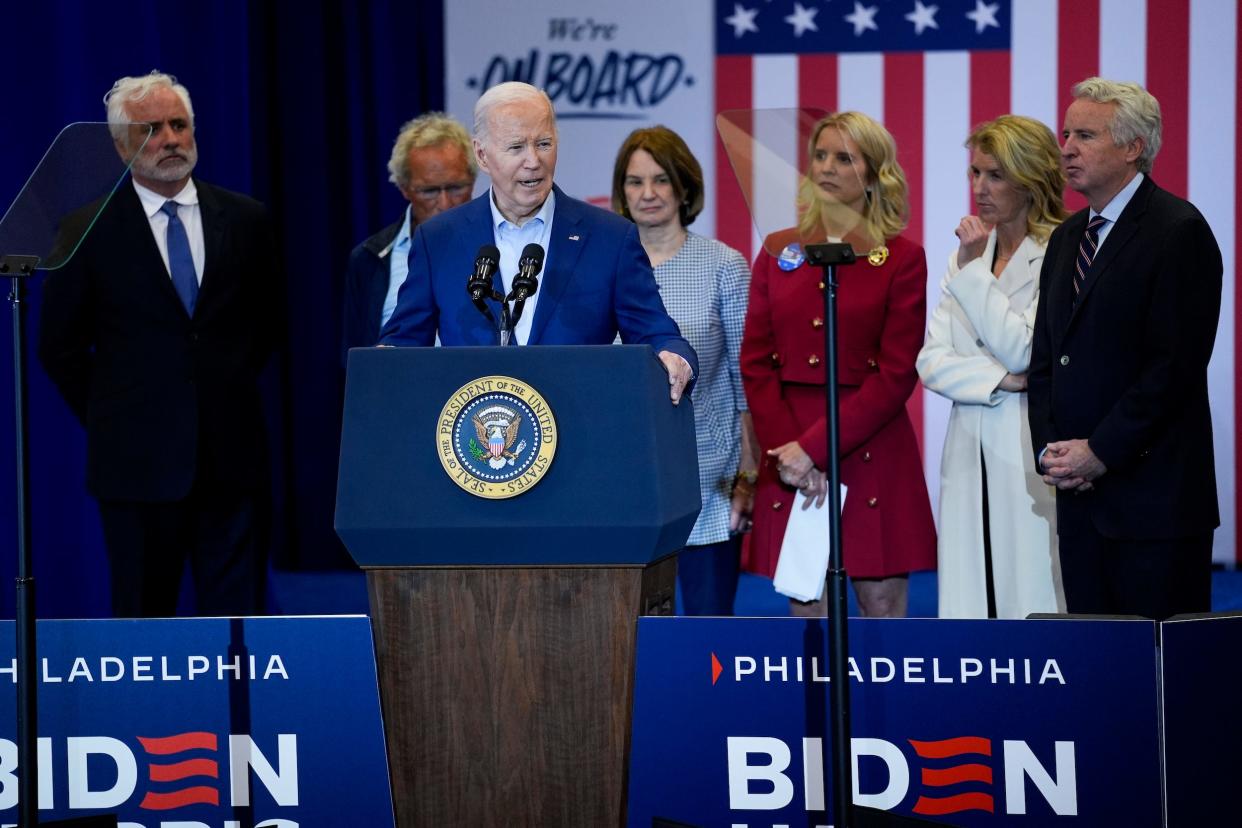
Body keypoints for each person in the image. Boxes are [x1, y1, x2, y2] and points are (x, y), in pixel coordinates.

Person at [38, 71, 281, 617]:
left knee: (239, 625)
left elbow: (267, 329)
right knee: (143, 625)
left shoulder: (245, 220)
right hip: (135, 470)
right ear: (122, 145)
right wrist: (118, 415)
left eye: (179, 125)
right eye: (151, 129)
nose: (171, 139)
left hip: (233, 465)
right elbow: (59, 349)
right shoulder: (84, 229)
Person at [1028, 78, 1223, 619]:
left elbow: (1174, 369)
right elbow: (1047, 360)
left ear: (1134, 147)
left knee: (1162, 678)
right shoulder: (1068, 238)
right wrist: (1051, 450)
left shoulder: (1179, 230)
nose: (1065, 147)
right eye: (1066, 133)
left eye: (1085, 135)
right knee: (1099, 671)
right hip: (1079, 499)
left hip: (1153, 504)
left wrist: (1100, 452)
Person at [378, 82, 696, 403]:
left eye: (544, 144)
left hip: (582, 437)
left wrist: (675, 358)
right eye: (516, 147)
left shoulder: (611, 238)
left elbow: (657, 333)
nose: (533, 161)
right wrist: (383, 361)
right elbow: (403, 343)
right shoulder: (438, 240)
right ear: (482, 155)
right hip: (475, 440)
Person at [740, 111, 936, 618]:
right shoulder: (780, 251)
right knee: (808, 611)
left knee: (884, 609)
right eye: (820, 156)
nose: (826, 167)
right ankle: (817, 704)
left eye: (843, 158)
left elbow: (896, 374)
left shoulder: (902, 258)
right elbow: (756, 364)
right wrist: (792, 456)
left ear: (873, 175)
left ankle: (887, 705)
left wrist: (813, 449)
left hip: (870, 446)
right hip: (792, 451)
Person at [917, 115, 1067, 619]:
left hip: (1028, 446)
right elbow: (931, 361)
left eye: (995, 175)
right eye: (975, 174)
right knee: (967, 604)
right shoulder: (966, 255)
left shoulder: (1060, 253)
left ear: (1031, 179)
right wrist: (1000, 380)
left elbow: (1025, 348)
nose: (979, 189)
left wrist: (974, 274)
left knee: (1033, 594)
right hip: (966, 447)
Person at [612, 126, 757, 615]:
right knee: (631, 643)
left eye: (661, 179)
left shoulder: (724, 266)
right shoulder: (600, 268)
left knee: (707, 642)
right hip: (625, 484)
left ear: (684, 187)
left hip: (710, 483)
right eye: (635, 182)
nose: (648, 194)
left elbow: (746, 384)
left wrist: (749, 478)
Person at [342, 113, 476, 359]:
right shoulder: (369, 258)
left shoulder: (499, 245)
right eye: (430, 191)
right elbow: (355, 360)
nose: (445, 203)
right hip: (400, 392)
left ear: (474, 179)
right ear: (404, 188)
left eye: (456, 187)